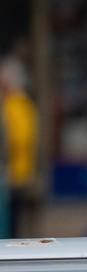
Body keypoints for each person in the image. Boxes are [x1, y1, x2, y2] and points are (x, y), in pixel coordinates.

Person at [0, 57, 38, 238]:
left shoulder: (18, 103)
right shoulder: (13, 103)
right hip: (12, 172)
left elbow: (20, 139)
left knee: (11, 222)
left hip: (14, 173)